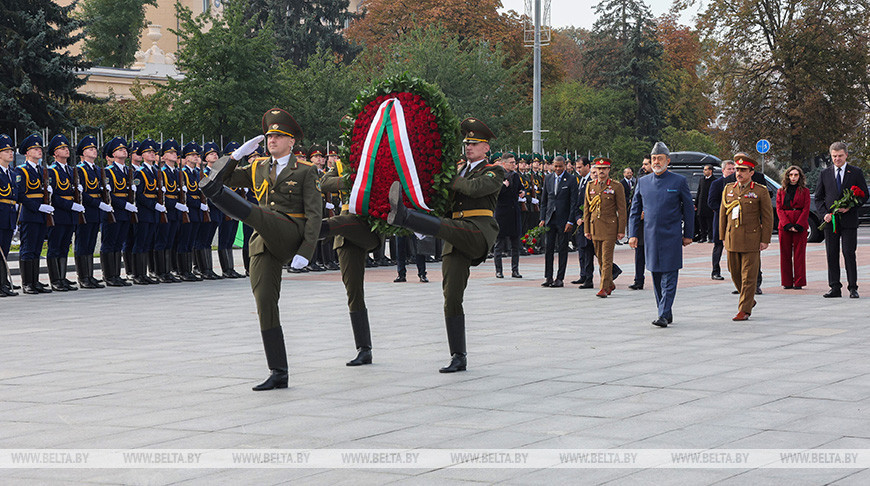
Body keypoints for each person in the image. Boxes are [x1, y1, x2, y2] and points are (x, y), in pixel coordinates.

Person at [200, 108, 322, 390]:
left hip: (290, 231)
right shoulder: (258, 167)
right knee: (265, 301)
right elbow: (218, 178)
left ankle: (230, 205)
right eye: (269, 137)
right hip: (263, 239)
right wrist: (234, 157)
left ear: (291, 142)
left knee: (257, 213)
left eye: (279, 136)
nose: (272, 140)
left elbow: (315, 214)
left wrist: (306, 251)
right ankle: (278, 371)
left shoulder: (306, 170)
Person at [387, 117, 505, 373]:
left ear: (486, 148)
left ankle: (405, 217)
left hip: (477, 231)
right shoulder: (458, 170)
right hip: (454, 233)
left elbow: (474, 189)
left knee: (450, 227)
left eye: (475, 143)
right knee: (451, 296)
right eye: (467, 143)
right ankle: (458, 356)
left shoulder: (494, 171)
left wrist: (447, 175)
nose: (469, 147)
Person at [320, 157, 382, 366]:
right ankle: (364, 349)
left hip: (366, 225)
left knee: (343, 221)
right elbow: (324, 183)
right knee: (354, 292)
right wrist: (352, 178)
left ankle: (316, 230)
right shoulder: (341, 165)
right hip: (345, 236)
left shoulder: (376, 159)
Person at [629, 142, 694, 327]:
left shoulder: (678, 181)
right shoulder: (643, 182)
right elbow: (635, 210)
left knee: (670, 274)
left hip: (671, 236)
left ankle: (663, 313)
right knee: (656, 274)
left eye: (660, 158)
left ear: (668, 161)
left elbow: (688, 209)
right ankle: (664, 311)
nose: (656, 162)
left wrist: (688, 234)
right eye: (654, 159)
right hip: (650, 236)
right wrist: (632, 234)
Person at [720, 154, 774, 320]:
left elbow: (767, 217)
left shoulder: (759, 190)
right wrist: (722, 236)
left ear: (751, 172)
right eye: (737, 170)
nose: (739, 173)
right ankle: (749, 299)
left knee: (749, 276)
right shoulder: (729, 189)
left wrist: (765, 239)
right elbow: (723, 215)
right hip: (732, 238)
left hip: (751, 239)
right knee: (734, 272)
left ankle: (744, 310)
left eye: (743, 170)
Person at [815, 141, 869, 298]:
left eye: (840, 156)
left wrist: (851, 206)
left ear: (846, 155)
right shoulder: (824, 174)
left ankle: (853, 287)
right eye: (834, 156)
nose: (837, 159)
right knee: (831, 254)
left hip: (849, 220)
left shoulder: (856, 172)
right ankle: (834, 287)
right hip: (830, 221)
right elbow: (818, 198)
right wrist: (824, 213)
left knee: (848, 252)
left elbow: (864, 195)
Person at [16, 134, 54, 294]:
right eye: (35, 149)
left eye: (40, 149)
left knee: (37, 249)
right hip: (30, 214)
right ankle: (27, 283)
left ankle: (35, 281)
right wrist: (38, 207)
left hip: (41, 215)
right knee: (28, 248)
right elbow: (20, 195)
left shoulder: (42, 171)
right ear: (27, 152)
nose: (39, 151)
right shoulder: (21, 170)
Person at [46, 134, 85, 291]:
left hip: (70, 215)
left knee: (64, 247)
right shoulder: (52, 171)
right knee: (54, 246)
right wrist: (71, 205)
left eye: (66, 147)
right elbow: (54, 196)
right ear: (55, 153)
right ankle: (55, 280)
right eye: (62, 148)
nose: (66, 150)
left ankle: (62, 278)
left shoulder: (71, 170)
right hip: (60, 214)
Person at [584, 157, 626, 297]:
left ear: (609, 170)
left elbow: (622, 210)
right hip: (595, 227)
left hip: (609, 227)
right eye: (599, 168)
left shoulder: (616, 186)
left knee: (607, 258)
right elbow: (587, 210)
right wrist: (586, 230)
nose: (601, 171)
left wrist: (621, 230)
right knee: (600, 258)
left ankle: (603, 288)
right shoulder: (591, 186)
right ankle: (610, 283)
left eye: (604, 169)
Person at [539, 156, 578, 288]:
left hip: (563, 219)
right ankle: (548, 277)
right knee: (548, 248)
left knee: (562, 249)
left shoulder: (571, 179)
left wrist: (570, 221)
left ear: (565, 166)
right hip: (550, 218)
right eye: (555, 166)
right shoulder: (548, 178)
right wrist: (542, 218)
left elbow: (573, 202)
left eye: (560, 166)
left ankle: (560, 278)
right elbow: (544, 200)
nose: (558, 169)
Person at [130, 138, 164, 285]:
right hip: (144, 212)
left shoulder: (156, 172)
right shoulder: (140, 172)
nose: (152, 154)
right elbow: (139, 195)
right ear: (142, 155)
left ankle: (144, 274)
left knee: (148, 243)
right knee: (140, 243)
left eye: (153, 152)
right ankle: (138, 274)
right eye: (148, 152)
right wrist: (153, 205)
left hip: (153, 213)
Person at [776, 165, 810, 290]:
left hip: (800, 223)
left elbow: (806, 208)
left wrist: (799, 224)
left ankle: (799, 282)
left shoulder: (805, 191)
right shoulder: (781, 191)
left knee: (799, 254)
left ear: (800, 176)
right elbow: (779, 208)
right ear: (787, 176)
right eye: (791, 175)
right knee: (785, 254)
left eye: (796, 175)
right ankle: (787, 281)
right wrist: (787, 224)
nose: (793, 177)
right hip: (785, 224)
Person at [493, 152, 524, 279]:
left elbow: (520, 188)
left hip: (513, 212)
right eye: (511, 163)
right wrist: (503, 186)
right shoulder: (497, 175)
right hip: (502, 213)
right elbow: (494, 193)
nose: (514, 165)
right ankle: (499, 270)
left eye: (514, 162)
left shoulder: (515, 176)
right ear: (504, 163)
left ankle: (515, 270)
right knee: (499, 244)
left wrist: (522, 192)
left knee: (515, 244)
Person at [707, 160, 735, 280]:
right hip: (720, 219)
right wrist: (725, 210)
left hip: (735, 220)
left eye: (733, 169)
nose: (732, 171)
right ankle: (715, 271)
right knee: (718, 245)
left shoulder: (738, 184)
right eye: (729, 169)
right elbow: (711, 202)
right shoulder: (717, 183)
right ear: (723, 170)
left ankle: (735, 272)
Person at [629, 157, 652, 290]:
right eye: (643, 164)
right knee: (639, 252)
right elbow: (635, 200)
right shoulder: (641, 179)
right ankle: (638, 279)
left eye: (646, 164)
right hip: (641, 222)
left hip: (654, 223)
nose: (643, 167)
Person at [0, 134, 19, 296]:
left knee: (4, 252)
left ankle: (3, 283)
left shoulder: (11, 174)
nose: (10, 153)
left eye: (11, 151)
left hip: (9, 217)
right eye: (6, 151)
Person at [695, 164, 715, 242]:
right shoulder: (701, 180)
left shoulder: (714, 180)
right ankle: (703, 237)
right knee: (701, 221)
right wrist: (696, 204)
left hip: (709, 204)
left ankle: (710, 237)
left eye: (706, 170)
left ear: (710, 171)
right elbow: (699, 192)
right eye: (704, 169)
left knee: (710, 222)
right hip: (701, 204)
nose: (704, 171)